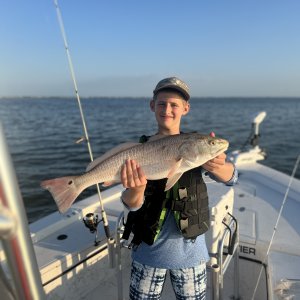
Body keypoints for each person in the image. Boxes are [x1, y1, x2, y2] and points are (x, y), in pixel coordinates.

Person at [120, 77, 238, 300]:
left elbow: (232, 177)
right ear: (152, 105)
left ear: (186, 108)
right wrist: (136, 189)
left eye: (174, 104)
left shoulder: (196, 146)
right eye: (162, 103)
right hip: (146, 253)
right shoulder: (138, 151)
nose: (168, 109)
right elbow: (131, 204)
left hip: (191, 256)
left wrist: (219, 165)